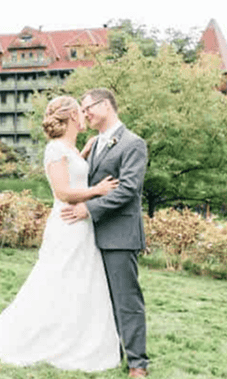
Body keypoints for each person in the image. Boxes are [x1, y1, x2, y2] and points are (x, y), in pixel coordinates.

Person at [0, 96, 121, 372]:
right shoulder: (55, 149)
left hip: (81, 227)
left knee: (79, 280)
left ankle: (76, 334)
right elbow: (63, 192)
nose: (85, 115)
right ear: (70, 117)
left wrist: (85, 154)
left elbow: (73, 173)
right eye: (80, 112)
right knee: (58, 278)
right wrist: (97, 190)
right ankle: (46, 334)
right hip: (67, 224)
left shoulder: (70, 148)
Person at [61, 88, 150, 378]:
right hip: (91, 236)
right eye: (83, 110)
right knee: (101, 299)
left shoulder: (133, 143)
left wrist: (88, 208)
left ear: (106, 105)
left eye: (87, 108)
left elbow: (128, 189)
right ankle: (110, 352)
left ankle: (138, 364)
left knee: (126, 300)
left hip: (120, 234)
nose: (84, 114)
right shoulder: (95, 142)